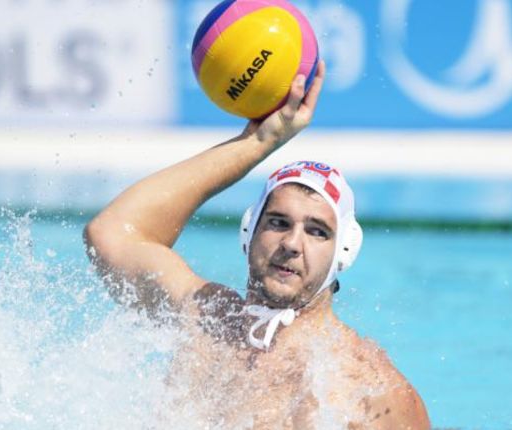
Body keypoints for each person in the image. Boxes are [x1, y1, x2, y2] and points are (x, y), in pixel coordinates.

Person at [84, 61, 430, 428]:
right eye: (278, 223)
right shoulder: (206, 318)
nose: (292, 244)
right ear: (249, 231)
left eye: (317, 231)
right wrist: (258, 143)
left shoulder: (367, 387)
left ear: (344, 251)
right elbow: (110, 233)